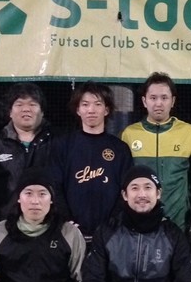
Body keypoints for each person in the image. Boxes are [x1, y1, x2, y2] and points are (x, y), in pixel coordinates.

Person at [49, 81, 134, 239]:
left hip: (110, 234)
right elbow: (55, 186)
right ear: (78, 109)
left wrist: (113, 223)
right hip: (70, 233)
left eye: (97, 104)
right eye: (85, 104)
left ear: (106, 110)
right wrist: (66, 221)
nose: (91, 110)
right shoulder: (62, 145)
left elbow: (127, 190)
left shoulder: (120, 149)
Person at [120, 72, 191, 232]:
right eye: (153, 98)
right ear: (144, 101)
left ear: (173, 101)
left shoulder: (188, 132)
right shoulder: (129, 134)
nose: (158, 103)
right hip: (139, 222)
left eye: (164, 98)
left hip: (178, 221)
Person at [0, 82, 54, 232]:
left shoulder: (57, 142)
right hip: (6, 227)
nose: (26, 109)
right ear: (10, 111)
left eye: (33, 104)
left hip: (49, 227)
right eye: (19, 104)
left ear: (42, 112)